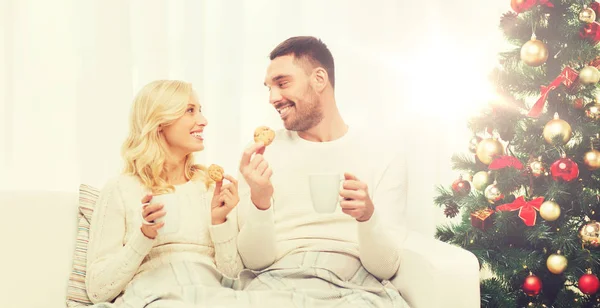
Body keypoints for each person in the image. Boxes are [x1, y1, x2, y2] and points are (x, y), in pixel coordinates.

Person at [235, 36, 409, 307]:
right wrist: (260, 200)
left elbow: (385, 268)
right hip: (277, 282)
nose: (272, 98)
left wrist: (367, 217)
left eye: (282, 83)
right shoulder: (261, 156)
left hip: (356, 286)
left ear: (319, 79)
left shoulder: (383, 155)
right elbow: (254, 262)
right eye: (268, 88)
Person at [85, 80, 243, 307]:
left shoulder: (211, 188)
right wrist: (145, 236)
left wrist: (220, 223)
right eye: (190, 110)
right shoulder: (121, 189)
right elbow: (98, 290)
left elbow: (234, 277)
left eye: (200, 110)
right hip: (154, 297)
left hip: (211, 297)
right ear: (159, 122)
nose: (203, 121)